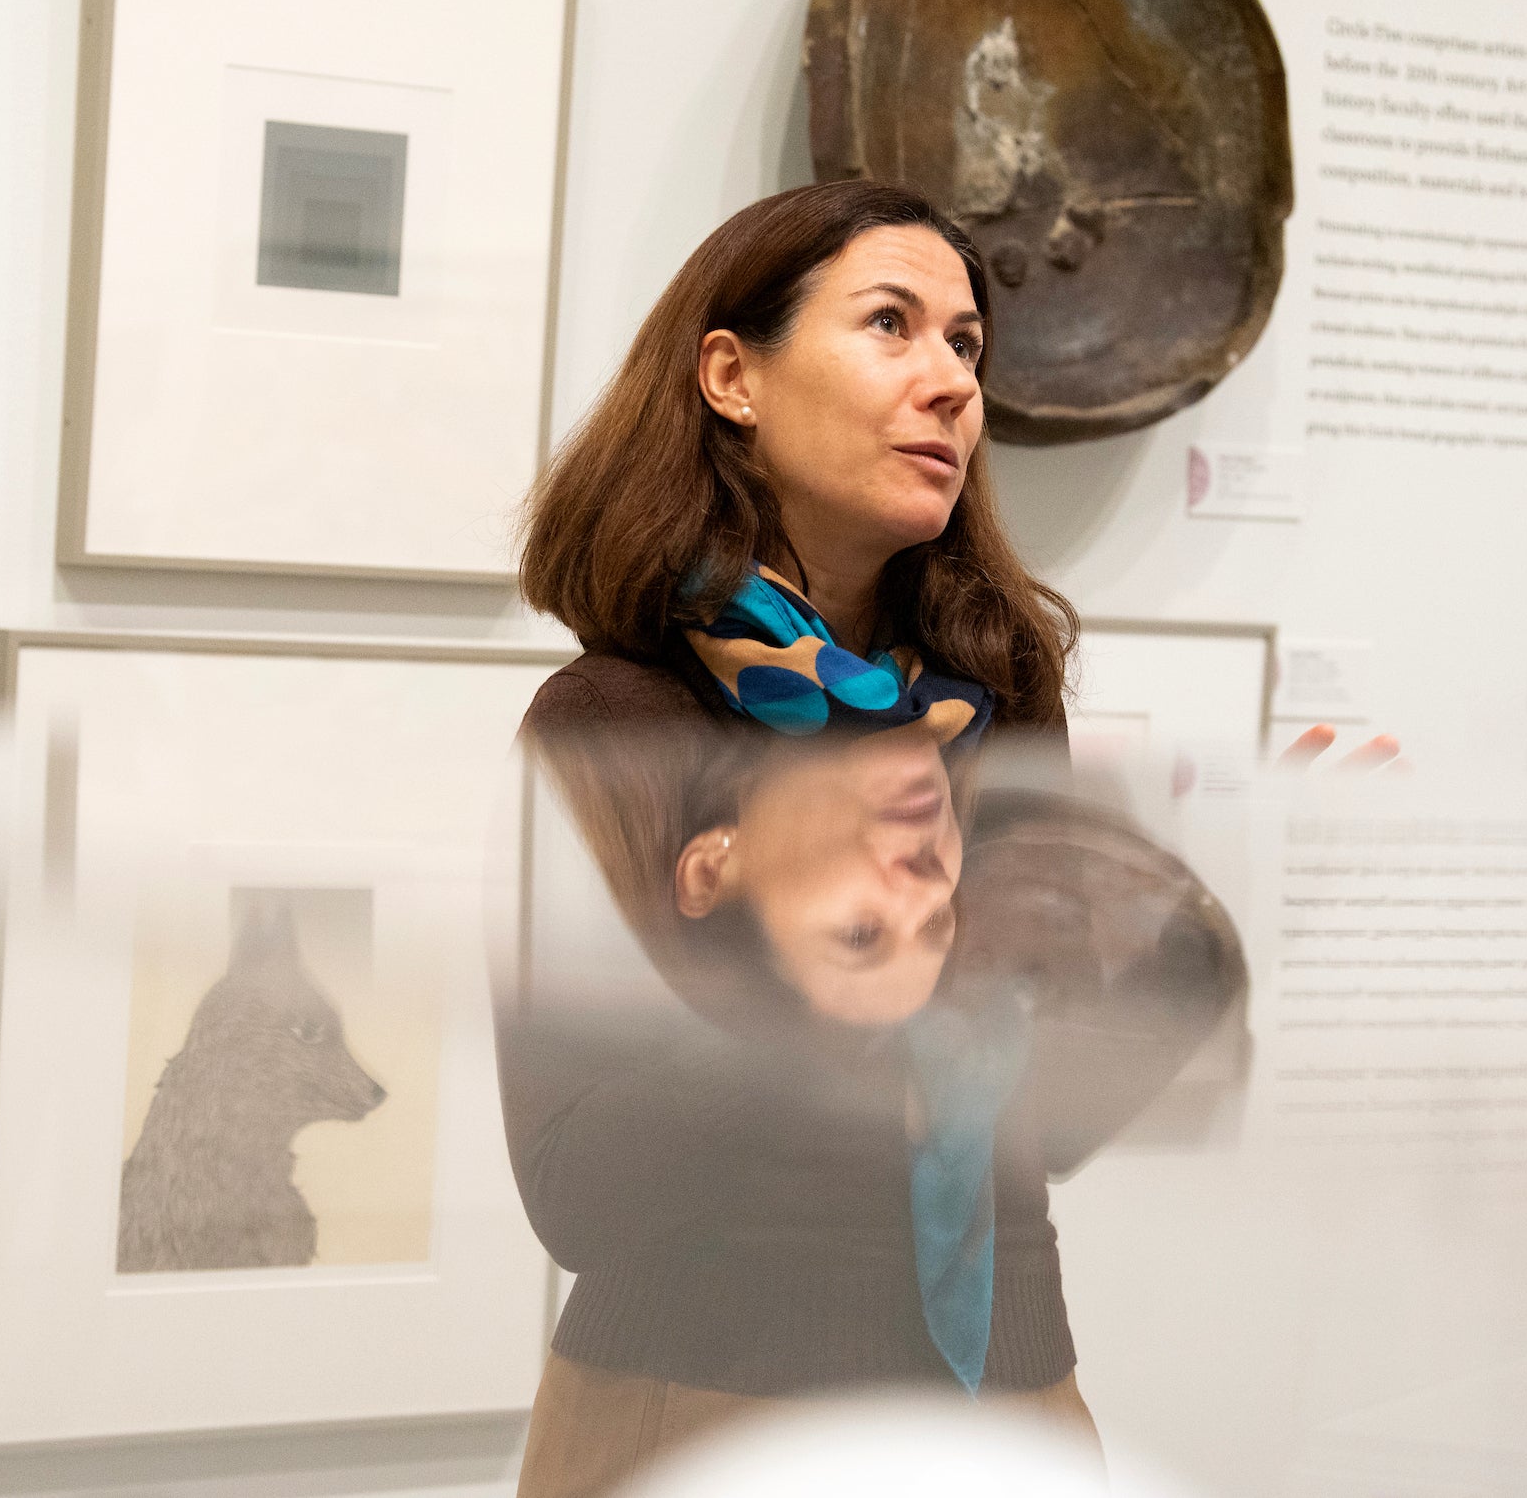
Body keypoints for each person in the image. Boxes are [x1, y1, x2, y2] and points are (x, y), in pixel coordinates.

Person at [501, 180, 1238, 1497]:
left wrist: (1182, 943)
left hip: (1007, 1401)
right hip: (707, 1410)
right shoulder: (614, 721)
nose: (952, 382)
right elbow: (578, 1194)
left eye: (967, 344)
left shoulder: (996, 694)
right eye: (891, 324)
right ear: (733, 377)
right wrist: (832, 971)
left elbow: (1036, 1131)